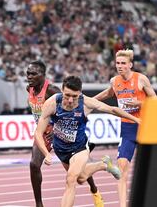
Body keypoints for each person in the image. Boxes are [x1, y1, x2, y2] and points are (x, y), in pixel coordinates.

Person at [34, 75, 141, 207]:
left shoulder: (85, 103)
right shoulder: (51, 103)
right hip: (60, 149)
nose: (70, 100)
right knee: (81, 178)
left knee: (70, 179)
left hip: (79, 147)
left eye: (75, 96)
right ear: (62, 91)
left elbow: (112, 109)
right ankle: (103, 165)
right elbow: (38, 133)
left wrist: (137, 120)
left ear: (80, 93)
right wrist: (46, 153)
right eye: (67, 95)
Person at [26, 60, 103, 207]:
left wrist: (56, 130)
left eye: (33, 74)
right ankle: (39, 204)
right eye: (28, 73)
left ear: (43, 75)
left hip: (60, 132)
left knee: (79, 172)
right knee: (33, 165)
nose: (29, 76)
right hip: (43, 133)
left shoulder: (52, 91)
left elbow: (72, 104)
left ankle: (94, 190)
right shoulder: (28, 89)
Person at [94, 49, 156, 207]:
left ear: (130, 65)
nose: (120, 66)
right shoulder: (114, 81)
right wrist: (88, 100)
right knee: (121, 168)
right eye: (117, 63)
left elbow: (155, 101)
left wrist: (139, 103)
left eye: (123, 63)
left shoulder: (141, 79)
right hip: (127, 129)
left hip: (146, 128)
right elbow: (108, 94)